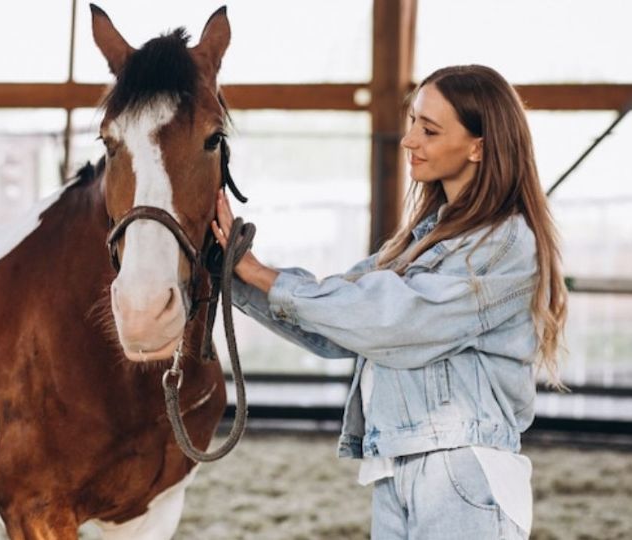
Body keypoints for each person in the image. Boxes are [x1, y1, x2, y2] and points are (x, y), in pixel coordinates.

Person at [211, 64, 567, 539]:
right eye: (413, 121)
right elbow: (337, 326)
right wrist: (229, 273)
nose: (409, 140)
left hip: (461, 469)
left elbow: (395, 320)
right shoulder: (418, 243)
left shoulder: (504, 243)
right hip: (397, 466)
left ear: (478, 147)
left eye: (429, 130)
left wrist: (260, 273)